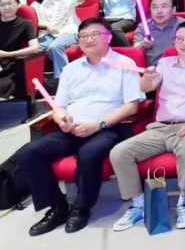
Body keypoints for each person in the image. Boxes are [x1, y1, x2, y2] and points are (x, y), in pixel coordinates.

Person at [17, 18, 144, 236]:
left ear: (109, 37)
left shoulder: (125, 64)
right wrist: (62, 121)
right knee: (29, 153)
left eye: (95, 34)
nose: (88, 39)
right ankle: (57, 207)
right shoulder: (71, 68)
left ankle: (81, 207)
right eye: (83, 36)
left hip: (107, 128)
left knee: (89, 153)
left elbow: (132, 106)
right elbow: (59, 106)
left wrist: (97, 125)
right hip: (72, 130)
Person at [109, 21, 185, 231]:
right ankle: (138, 204)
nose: (184, 43)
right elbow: (147, 87)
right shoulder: (164, 63)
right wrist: (147, 78)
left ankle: (184, 200)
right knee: (119, 152)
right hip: (160, 128)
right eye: (179, 39)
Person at [32, 0, 87, 76]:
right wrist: (47, 27)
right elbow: (34, 22)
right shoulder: (36, 4)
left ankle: (64, 78)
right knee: (31, 49)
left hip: (69, 32)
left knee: (55, 46)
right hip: (48, 34)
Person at [0, 0, 38, 100]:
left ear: (18, 4)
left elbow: (34, 48)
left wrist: (7, 54)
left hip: (14, 63)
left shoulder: (25, 24)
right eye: (2, 4)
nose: (7, 7)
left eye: (10, 3)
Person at [134, 0, 185, 67]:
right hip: (154, 70)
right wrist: (143, 44)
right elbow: (135, 51)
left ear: (174, 9)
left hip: (181, 68)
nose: (159, 11)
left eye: (164, 6)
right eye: (154, 7)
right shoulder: (143, 26)